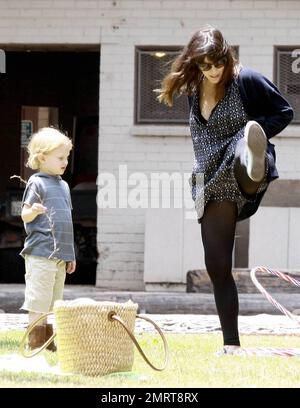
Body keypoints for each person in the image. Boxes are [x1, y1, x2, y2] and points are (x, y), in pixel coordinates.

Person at [158, 26, 293, 354]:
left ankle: (251, 154)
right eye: (206, 65)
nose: (215, 70)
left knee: (242, 144)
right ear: (195, 64)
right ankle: (231, 345)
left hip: (237, 168)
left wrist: (259, 131)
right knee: (217, 264)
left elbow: (284, 111)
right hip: (208, 177)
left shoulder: (246, 79)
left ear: (227, 56)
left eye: (219, 62)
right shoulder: (192, 87)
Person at [20, 127, 76, 351]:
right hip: (41, 253)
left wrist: (70, 254)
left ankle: (47, 341)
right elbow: (24, 214)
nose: (65, 162)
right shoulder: (36, 182)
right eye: (60, 157)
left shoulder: (63, 185)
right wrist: (33, 210)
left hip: (60, 256)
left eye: (67, 157)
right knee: (38, 299)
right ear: (42, 157)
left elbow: (66, 221)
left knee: (54, 301)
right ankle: (35, 342)